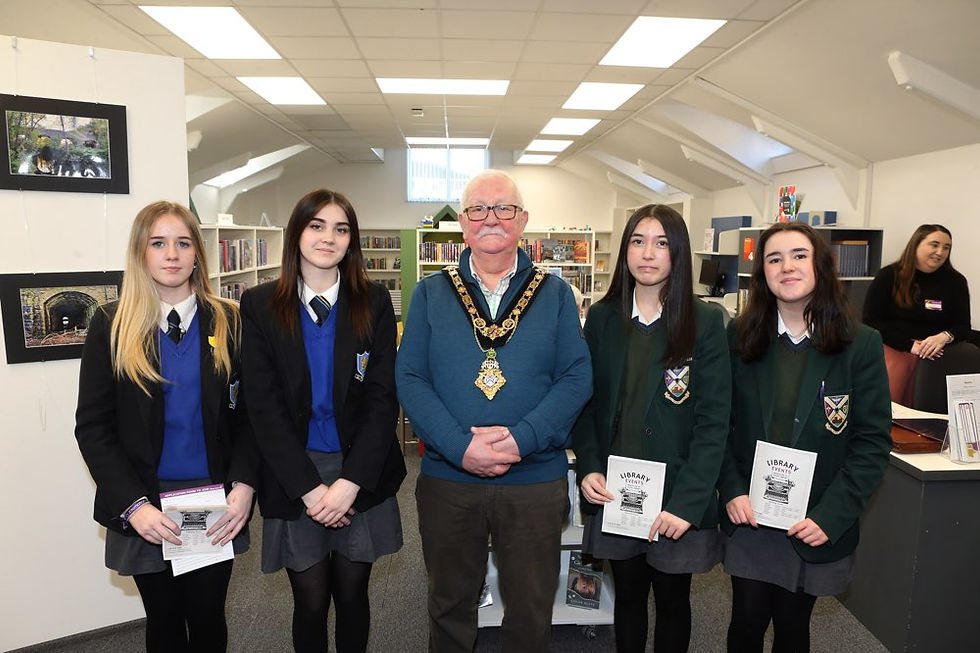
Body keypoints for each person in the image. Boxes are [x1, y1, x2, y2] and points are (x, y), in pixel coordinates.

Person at [396, 169, 592, 653]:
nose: (491, 219)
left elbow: (576, 377)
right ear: (462, 223)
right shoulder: (429, 294)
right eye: (478, 209)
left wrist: (523, 438)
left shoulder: (556, 294)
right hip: (449, 479)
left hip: (533, 481)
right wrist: (460, 446)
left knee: (530, 607)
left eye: (503, 208)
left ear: (522, 220)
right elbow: (410, 379)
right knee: (449, 604)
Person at [74, 201, 257, 652]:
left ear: (198, 253)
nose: (171, 254)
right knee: (164, 621)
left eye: (182, 242)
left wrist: (246, 485)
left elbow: (254, 418)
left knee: (208, 616)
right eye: (158, 243)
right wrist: (135, 507)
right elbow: (93, 428)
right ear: (141, 253)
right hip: (146, 502)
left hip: (210, 499)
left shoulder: (231, 321)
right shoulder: (110, 324)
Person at [240, 188, 405, 653]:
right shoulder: (258, 305)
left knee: (353, 596)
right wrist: (310, 489)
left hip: (360, 471)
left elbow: (382, 399)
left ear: (351, 241)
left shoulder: (373, 301)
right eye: (317, 226)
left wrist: (350, 482)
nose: (328, 238)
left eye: (341, 229)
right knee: (310, 603)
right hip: (296, 474)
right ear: (296, 234)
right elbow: (263, 408)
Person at [719, 222, 892, 652]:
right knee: (746, 621)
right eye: (774, 259)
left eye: (799, 255)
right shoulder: (739, 338)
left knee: (794, 627)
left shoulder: (862, 344)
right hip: (751, 516)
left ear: (820, 265)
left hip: (813, 520)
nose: (787, 266)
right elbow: (717, 427)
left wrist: (831, 517)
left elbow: (871, 443)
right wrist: (732, 490)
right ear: (762, 273)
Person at [571, 204, 730, 653]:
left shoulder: (706, 323)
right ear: (624, 251)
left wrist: (690, 501)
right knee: (629, 598)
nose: (648, 253)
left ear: (678, 254)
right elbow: (586, 405)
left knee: (674, 601)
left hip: (679, 497)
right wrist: (589, 467)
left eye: (661, 243)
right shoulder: (602, 320)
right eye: (638, 241)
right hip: (618, 493)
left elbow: (714, 421)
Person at [863, 224, 975, 404]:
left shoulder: (956, 282)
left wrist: (944, 337)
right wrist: (909, 346)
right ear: (916, 244)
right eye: (934, 244)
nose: (940, 252)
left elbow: (963, 327)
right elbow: (870, 321)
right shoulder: (889, 275)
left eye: (946, 247)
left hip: (936, 351)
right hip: (894, 346)